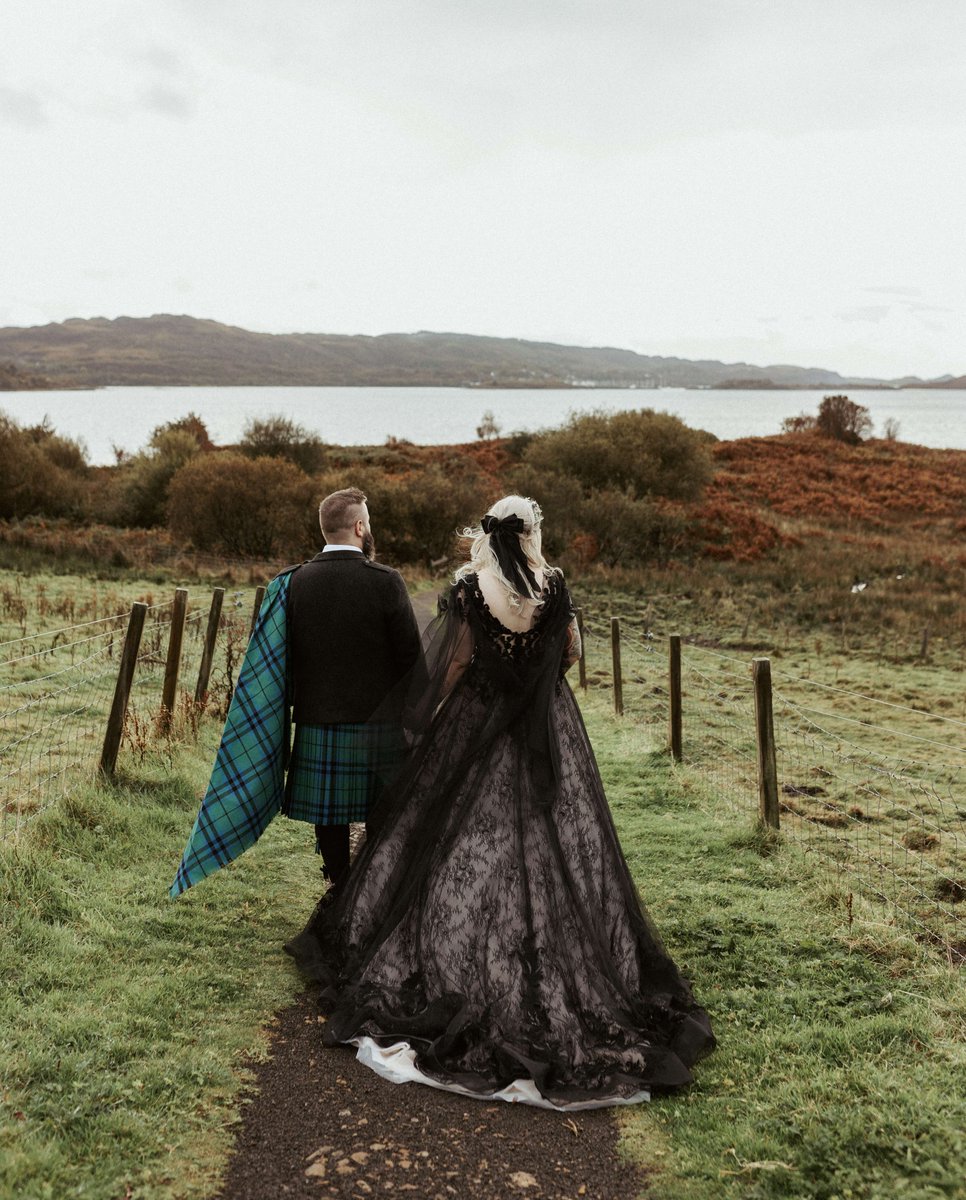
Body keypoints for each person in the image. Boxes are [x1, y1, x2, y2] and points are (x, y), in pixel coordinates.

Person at [285, 495, 715, 1110]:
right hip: (545, 725)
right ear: (533, 534)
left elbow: (454, 664)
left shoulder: (469, 587)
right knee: (549, 834)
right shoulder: (553, 584)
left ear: (490, 535)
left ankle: (450, 935)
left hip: (477, 721)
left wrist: (431, 718)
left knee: (460, 834)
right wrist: (535, 670)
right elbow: (570, 653)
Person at [170, 487, 421, 897]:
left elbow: (273, 662)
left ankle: (338, 886)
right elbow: (411, 660)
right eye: (368, 523)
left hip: (317, 721)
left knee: (332, 815)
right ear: (360, 527)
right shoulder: (386, 582)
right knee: (383, 810)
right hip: (379, 725)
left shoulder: (292, 584)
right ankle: (373, 891)